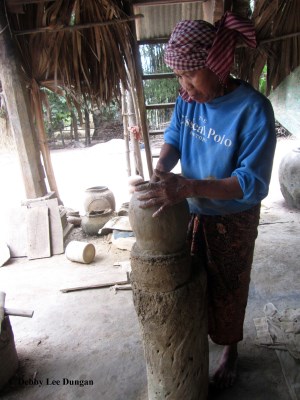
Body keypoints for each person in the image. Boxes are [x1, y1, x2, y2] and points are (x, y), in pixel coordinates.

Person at [135, 11, 277, 389]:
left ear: (217, 64)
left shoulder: (254, 110)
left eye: (190, 75)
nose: (184, 87)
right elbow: (176, 137)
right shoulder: (189, 99)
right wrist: (162, 169)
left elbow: (251, 182)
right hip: (191, 207)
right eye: (179, 77)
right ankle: (198, 336)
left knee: (228, 287)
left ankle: (231, 348)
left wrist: (189, 186)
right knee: (193, 280)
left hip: (233, 217)